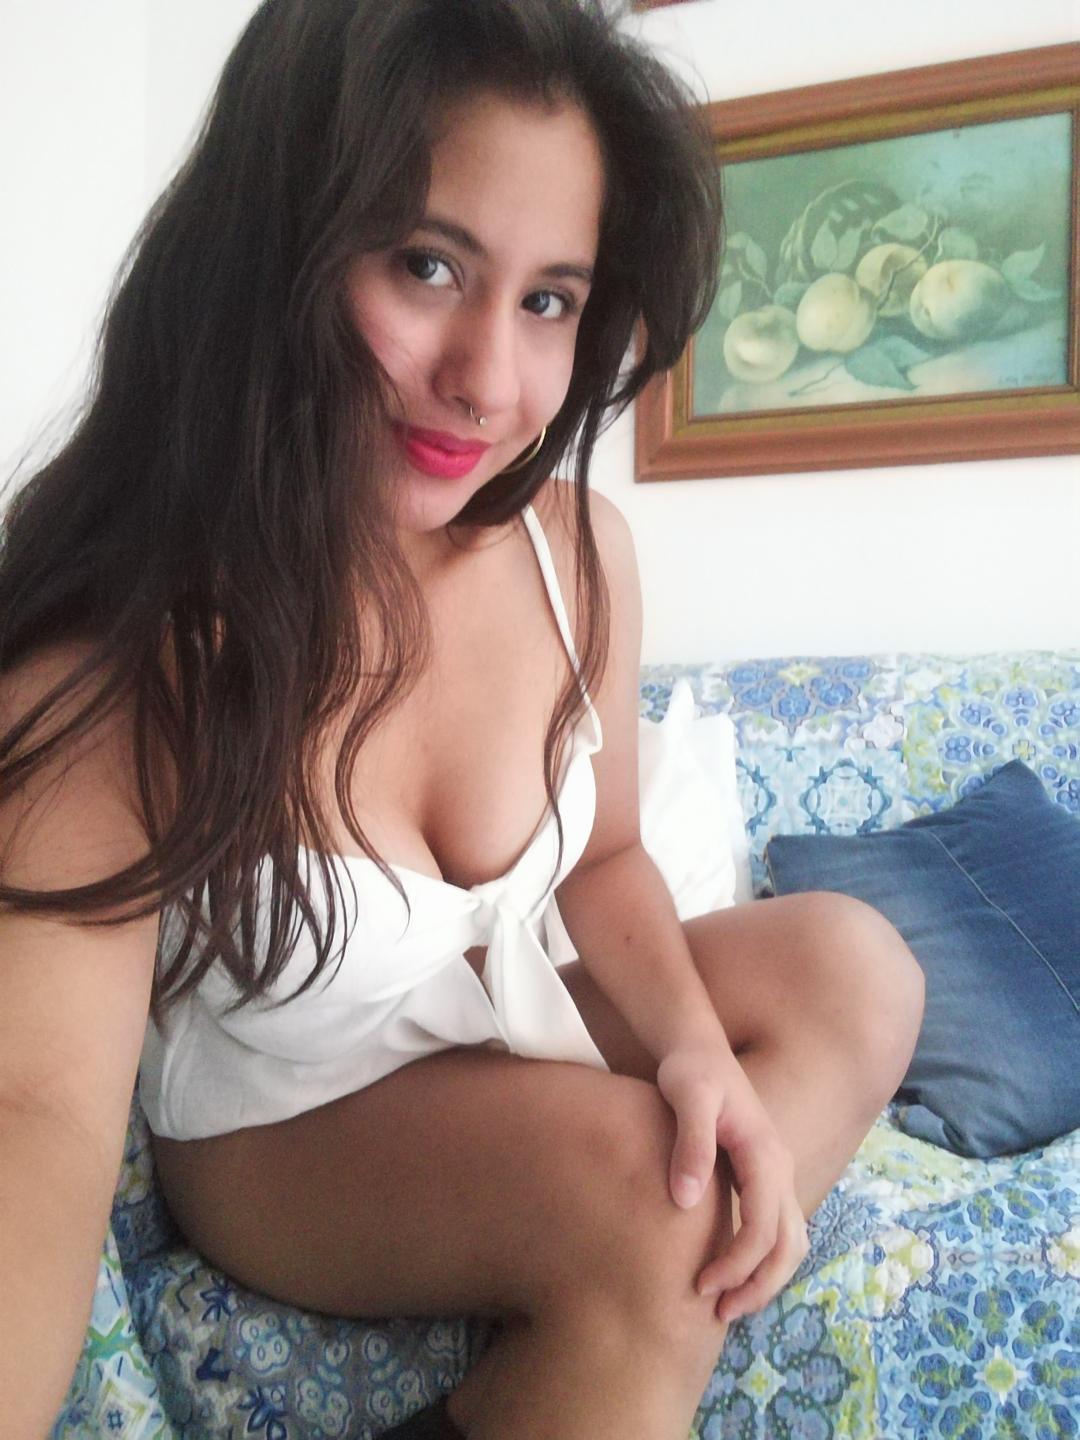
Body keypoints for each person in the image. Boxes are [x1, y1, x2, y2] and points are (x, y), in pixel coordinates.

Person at [0, 1, 925, 1436]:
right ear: (278, 249)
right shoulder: (129, 650)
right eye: (428, 266)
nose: (488, 383)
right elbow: (34, 1113)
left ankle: (614, 1332)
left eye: (550, 299)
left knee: (859, 969)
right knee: (656, 1204)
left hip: (499, 1028)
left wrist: (689, 1043)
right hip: (280, 1126)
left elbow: (604, 861)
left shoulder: (581, 556)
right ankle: (633, 1291)